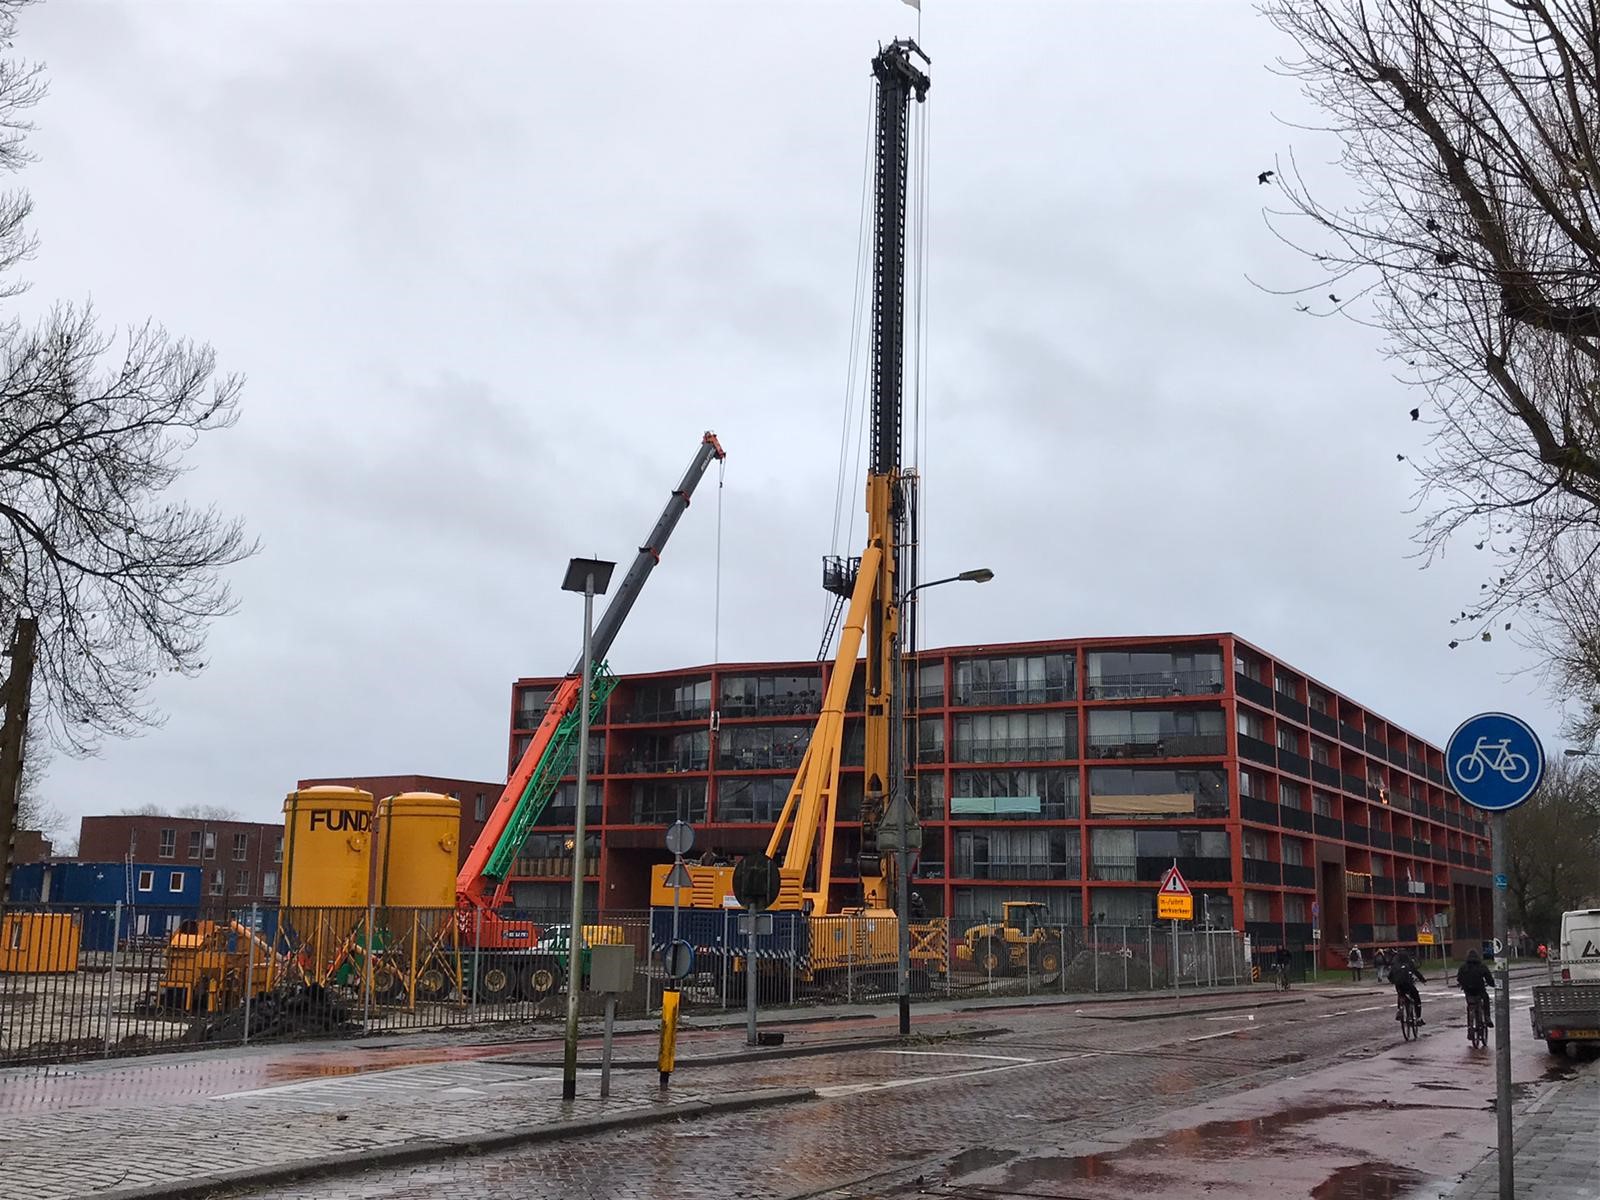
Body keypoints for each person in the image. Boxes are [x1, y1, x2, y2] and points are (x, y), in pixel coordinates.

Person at [1456, 948, 1494, 1028]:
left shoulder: (1463, 967)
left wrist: (1462, 984)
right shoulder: (1482, 966)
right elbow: (1489, 979)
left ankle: (1470, 1025)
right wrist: (1493, 984)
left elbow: (1459, 978)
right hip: (1480, 990)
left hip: (1468, 991)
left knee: (1470, 1005)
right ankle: (1487, 1018)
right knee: (1486, 1000)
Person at [1390, 949, 1427, 1025]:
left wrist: (1393, 981)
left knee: (1401, 995)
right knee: (1416, 997)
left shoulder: (1395, 964)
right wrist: (1423, 980)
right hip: (1408, 984)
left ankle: (1399, 1008)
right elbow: (1416, 972)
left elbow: (1390, 975)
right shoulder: (1409, 963)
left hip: (1399, 985)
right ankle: (1418, 1019)